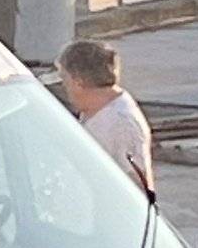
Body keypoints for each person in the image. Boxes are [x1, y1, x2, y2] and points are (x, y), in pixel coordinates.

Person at [59, 38, 154, 192]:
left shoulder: (122, 124)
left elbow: (137, 188)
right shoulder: (93, 109)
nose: (63, 86)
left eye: (64, 78)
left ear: (78, 82)